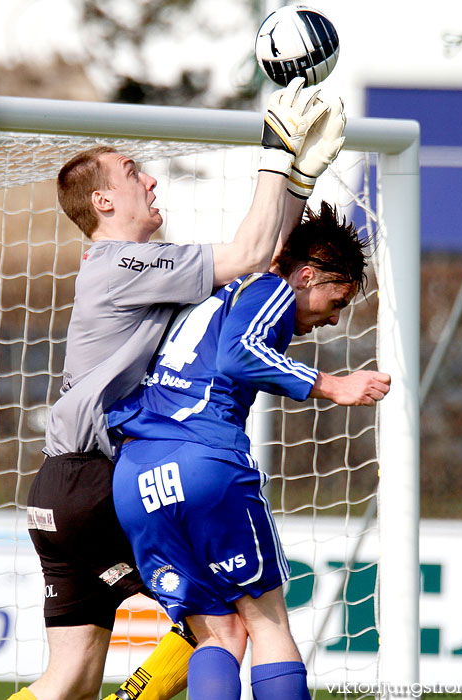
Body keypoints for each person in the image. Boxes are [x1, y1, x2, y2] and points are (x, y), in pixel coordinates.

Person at [11, 77, 346, 700]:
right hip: (95, 480)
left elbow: (261, 261)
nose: (152, 180)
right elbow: (251, 254)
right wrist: (276, 155)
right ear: (105, 202)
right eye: (134, 172)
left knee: (70, 680)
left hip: (58, 491)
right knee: (221, 628)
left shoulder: (142, 270)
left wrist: (297, 184)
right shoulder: (123, 264)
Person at [108, 201, 392, 700]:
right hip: (203, 462)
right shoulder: (270, 288)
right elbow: (240, 357)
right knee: (268, 625)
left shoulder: (218, 287)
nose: (333, 318)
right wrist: (332, 384)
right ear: (306, 276)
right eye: (337, 301)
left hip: (137, 474)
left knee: (219, 633)